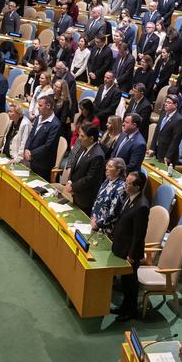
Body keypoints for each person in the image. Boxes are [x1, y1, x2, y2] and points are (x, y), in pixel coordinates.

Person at [110, 170, 148, 321]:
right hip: (121, 246)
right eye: (126, 181)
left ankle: (131, 311)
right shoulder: (129, 197)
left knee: (130, 284)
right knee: (125, 282)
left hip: (130, 252)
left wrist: (131, 255)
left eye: (129, 183)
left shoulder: (142, 206)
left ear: (137, 187)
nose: (125, 185)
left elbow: (139, 235)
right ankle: (124, 308)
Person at [65, 123, 105, 216]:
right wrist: (70, 181)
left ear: (91, 138)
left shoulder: (98, 155)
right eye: (79, 135)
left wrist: (73, 186)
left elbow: (89, 178)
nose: (79, 138)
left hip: (85, 198)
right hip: (75, 193)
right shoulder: (84, 146)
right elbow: (76, 165)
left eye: (82, 136)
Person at [24, 96, 62, 180]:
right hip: (32, 158)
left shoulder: (55, 125)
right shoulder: (38, 117)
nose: (38, 107)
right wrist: (26, 148)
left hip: (43, 164)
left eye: (40, 105)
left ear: (48, 106)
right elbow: (31, 134)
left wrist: (31, 153)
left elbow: (48, 146)